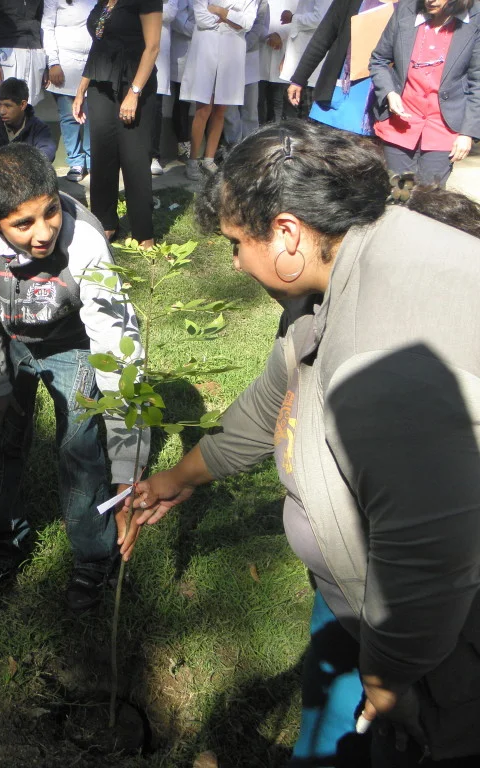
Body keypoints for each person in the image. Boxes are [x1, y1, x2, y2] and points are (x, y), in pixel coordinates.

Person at [121, 120, 480, 767]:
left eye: (236, 243)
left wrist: (389, 675)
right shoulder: (344, 267)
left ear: (286, 233)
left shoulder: (380, 355)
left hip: (437, 643)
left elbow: (428, 560)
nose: (233, 262)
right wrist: (179, 477)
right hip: (361, 609)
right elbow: (271, 405)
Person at [0, 144, 148, 612]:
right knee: (1, 441)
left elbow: (119, 349)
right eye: (24, 224)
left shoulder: (86, 242)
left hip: (73, 341)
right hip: (9, 338)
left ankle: (93, 556)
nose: (44, 234)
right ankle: (2, 542)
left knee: (80, 444)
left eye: (51, 212)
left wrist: (127, 470)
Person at [74, 0, 164, 248]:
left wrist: (134, 93)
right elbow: (98, 45)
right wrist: (81, 89)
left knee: (134, 159)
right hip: (100, 83)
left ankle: (143, 232)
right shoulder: (105, 2)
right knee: (102, 158)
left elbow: (153, 47)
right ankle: (104, 224)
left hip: (133, 83)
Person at [369, 0, 480, 188]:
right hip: (400, 126)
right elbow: (379, 60)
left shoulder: (475, 18)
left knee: (429, 199)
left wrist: (467, 133)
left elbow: (477, 82)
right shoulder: (406, 9)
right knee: (400, 195)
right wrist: (389, 92)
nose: (430, 0)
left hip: (444, 129)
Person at [181, 0, 261, 180]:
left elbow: (247, 23)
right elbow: (201, 18)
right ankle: (193, 160)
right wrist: (232, 19)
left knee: (221, 109)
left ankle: (209, 159)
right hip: (206, 49)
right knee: (203, 108)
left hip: (232, 52)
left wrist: (220, 11)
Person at [285, 0, 381, 136]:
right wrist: (299, 79)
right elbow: (324, 35)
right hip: (338, 90)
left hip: (376, 96)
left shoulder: (406, 6)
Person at [43, 0, 98, 181]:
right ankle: (75, 162)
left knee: (92, 116)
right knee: (69, 116)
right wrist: (53, 63)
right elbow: (47, 28)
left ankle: (93, 161)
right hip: (64, 65)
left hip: (93, 64)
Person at [0, 78, 57, 168]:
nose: (2, 111)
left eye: (7, 106)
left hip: (25, 175)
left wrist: (22, 166)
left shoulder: (38, 128)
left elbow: (48, 151)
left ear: (22, 105)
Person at [224, 0, 271, 146]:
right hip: (227, 52)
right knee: (229, 108)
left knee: (250, 108)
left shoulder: (262, 2)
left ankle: (251, 146)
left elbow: (259, 25)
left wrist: (244, 44)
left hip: (249, 55)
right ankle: (233, 145)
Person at [0, 0, 47, 107]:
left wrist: (46, 65)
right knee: (7, 105)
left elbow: (41, 24)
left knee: (28, 107)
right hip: (7, 54)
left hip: (34, 53)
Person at [278, 0, 334, 117]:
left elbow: (320, 17)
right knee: (290, 118)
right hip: (298, 60)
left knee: (303, 119)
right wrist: (286, 57)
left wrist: (293, 18)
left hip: (309, 65)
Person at [151, 0, 180, 175]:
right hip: (134, 45)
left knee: (155, 106)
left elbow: (170, 13)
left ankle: (152, 155)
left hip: (159, 48)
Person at [259, 0, 298, 123]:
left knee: (281, 105)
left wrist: (280, 34)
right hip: (258, 54)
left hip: (284, 55)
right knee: (258, 103)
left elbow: (301, 22)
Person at [170, 0, 196, 158]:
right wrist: (201, 31)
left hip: (206, 51)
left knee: (208, 102)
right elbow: (178, 19)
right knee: (182, 101)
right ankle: (183, 143)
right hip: (184, 52)